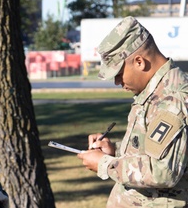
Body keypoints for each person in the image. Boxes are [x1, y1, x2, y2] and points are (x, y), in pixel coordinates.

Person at [77, 16, 188, 207]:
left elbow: (163, 171)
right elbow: (153, 149)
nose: (117, 82)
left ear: (139, 62)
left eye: (119, 73)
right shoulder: (156, 91)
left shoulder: (172, 99)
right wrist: (115, 151)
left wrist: (105, 164)